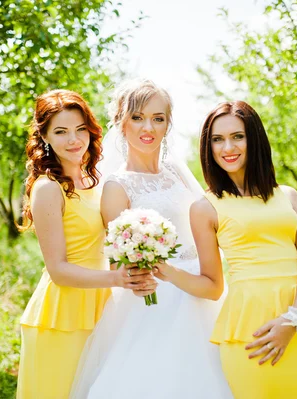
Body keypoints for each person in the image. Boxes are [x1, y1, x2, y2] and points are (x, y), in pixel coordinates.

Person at [155, 101, 297, 398]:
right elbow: (212, 285)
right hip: (250, 333)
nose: (227, 147)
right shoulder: (205, 208)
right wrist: (166, 271)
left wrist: (292, 320)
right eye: (217, 139)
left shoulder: (288, 196)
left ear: (254, 138)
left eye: (237, 136)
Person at [70, 80, 233, 399]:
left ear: (168, 124)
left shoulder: (177, 171)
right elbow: (120, 264)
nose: (149, 127)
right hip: (156, 301)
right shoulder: (117, 187)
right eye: (138, 117)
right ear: (120, 121)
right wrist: (150, 264)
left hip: (203, 285)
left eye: (158, 118)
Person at [16, 89, 157, 399]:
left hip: (100, 304)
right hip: (62, 315)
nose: (73, 140)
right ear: (45, 137)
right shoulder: (48, 188)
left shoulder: (93, 182)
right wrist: (120, 279)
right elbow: (59, 270)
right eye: (61, 132)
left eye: (80, 129)